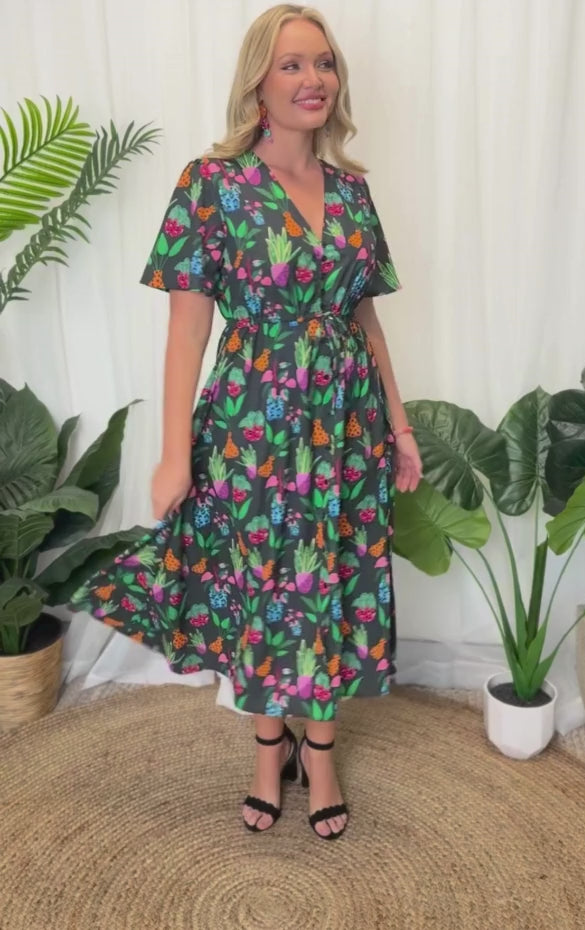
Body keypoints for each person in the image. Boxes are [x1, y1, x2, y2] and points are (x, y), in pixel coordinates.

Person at [68, 2, 423, 841]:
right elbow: (187, 330)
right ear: (258, 82)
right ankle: (270, 752)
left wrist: (400, 427)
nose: (313, 79)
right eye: (292, 64)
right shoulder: (212, 184)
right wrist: (174, 454)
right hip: (253, 425)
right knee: (264, 589)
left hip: (346, 428)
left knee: (334, 580)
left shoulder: (353, 190)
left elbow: (366, 321)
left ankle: (321, 754)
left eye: (324, 63)